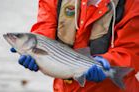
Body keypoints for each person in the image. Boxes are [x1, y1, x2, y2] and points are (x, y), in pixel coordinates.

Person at [10, 0, 139, 92]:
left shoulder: (132, 3)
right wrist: (35, 49)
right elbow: (45, 27)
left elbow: (132, 50)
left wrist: (109, 62)